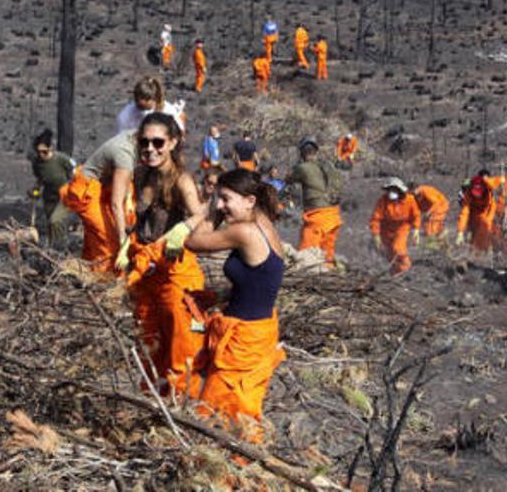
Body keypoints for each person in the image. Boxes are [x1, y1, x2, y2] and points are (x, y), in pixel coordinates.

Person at [185, 169, 286, 443]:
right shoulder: (264, 222)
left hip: (244, 341)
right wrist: (220, 297)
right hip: (257, 332)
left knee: (224, 410)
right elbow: (258, 281)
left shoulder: (244, 231)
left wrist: (212, 215)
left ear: (250, 201)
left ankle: (232, 471)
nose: (220, 204)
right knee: (238, 408)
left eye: (225, 198)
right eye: (218, 199)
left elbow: (192, 242)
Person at [116, 112, 207, 398]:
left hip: (175, 271)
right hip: (146, 271)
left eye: (158, 142)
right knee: (149, 341)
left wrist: (184, 228)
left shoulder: (180, 179)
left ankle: (183, 407)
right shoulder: (141, 174)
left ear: (172, 143)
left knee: (182, 344)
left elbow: (204, 212)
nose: (150, 149)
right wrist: (125, 242)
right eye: (145, 142)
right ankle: (155, 403)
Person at [59, 130, 136, 272]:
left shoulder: (146, 141)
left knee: (96, 241)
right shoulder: (124, 153)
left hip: (108, 187)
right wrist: (123, 242)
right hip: (89, 190)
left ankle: (87, 274)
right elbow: (116, 204)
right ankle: (103, 282)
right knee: (107, 241)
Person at [285, 137, 344, 266]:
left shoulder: (302, 168)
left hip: (317, 217)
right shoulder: (326, 166)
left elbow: (288, 180)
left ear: (302, 153)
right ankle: (329, 276)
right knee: (327, 254)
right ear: (316, 152)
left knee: (306, 255)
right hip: (334, 215)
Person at [29, 129, 75, 249]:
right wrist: (35, 191)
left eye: (44, 152)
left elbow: (75, 171)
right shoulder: (37, 163)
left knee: (56, 221)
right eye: (38, 152)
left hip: (64, 197)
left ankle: (59, 248)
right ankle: (51, 248)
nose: (41, 155)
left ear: (50, 148)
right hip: (49, 198)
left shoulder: (61, 159)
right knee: (51, 224)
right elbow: (40, 179)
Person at [370, 178, 421, 275]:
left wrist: (416, 230)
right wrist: (376, 235)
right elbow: (375, 219)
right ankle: (395, 273)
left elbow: (416, 215)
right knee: (389, 253)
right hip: (386, 229)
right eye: (390, 190)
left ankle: (406, 271)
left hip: (402, 227)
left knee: (398, 249)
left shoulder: (409, 200)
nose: (391, 193)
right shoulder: (383, 201)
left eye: (394, 190)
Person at [115, 77, 184, 134]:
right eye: (140, 107)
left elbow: (180, 132)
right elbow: (121, 139)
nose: (144, 113)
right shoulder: (125, 116)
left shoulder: (167, 110)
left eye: (148, 108)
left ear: (156, 100)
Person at [456, 169, 503, 253]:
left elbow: (499, 180)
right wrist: (460, 232)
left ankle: (491, 249)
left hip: (488, 210)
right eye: (475, 193)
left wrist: (501, 182)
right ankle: (474, 250)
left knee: (489, 228)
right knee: (474, 231)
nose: (477, 195)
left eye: (479, 193)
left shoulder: (488, 184)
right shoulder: (468, 193)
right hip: (474, 212)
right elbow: (464, 213)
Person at [410, 181, 449, 246]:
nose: (413, 193)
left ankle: (434, 245)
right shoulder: (415, 195)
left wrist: (428, 213)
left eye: (413, 191)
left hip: (440, 206)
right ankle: (441, 240)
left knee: (432, 225)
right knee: (427, 225)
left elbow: (436, 203)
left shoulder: (425, 191)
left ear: (417, 188)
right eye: (411, 192)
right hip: (431, 209)